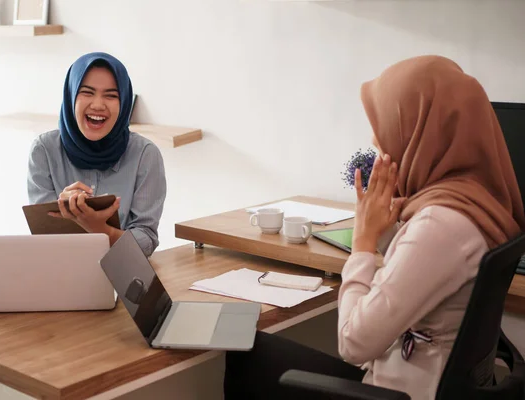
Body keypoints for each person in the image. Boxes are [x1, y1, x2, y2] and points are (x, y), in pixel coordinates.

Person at [224, 55, 525, 400]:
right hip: (419, 379)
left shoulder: (440, 225)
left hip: (394, 390)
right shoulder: (476, 199)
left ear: (422, 130)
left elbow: (353, 343)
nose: (375, 139)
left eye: (387, 124)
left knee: (247, 352)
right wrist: (385, 230)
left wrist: (362, 243)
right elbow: (429, 272)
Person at [27, 52, 166, 255]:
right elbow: (43, 239)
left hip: (122, 277)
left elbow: (146, 241)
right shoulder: (44, 150)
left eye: (111, 95)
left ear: (124, 102)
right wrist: (60, 213)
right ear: (71, 95)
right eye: (87, 92)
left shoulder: (145, 155)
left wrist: (101, 230)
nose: (98, 105)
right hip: (61, 274)